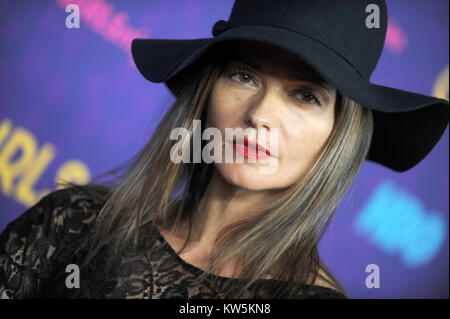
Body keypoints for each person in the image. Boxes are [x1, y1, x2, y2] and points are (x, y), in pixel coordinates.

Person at [0, 0, 448, 299]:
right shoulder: (70, 222)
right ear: (207, 89)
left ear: (337, 136)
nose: (259, 114)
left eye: (305, 95)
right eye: (244, 76)